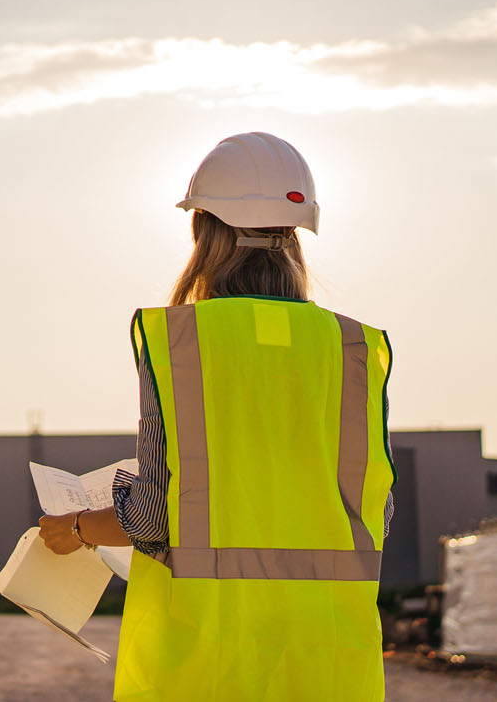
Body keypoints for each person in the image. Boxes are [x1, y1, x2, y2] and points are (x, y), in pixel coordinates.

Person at [38, 132, 395, 701]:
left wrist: (78, 529)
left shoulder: (181, 343)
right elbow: (377, 509)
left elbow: (155, 517)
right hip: (328, 664)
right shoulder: (352, 349)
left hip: (208, 661)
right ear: (297, 233)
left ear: (204, 230)